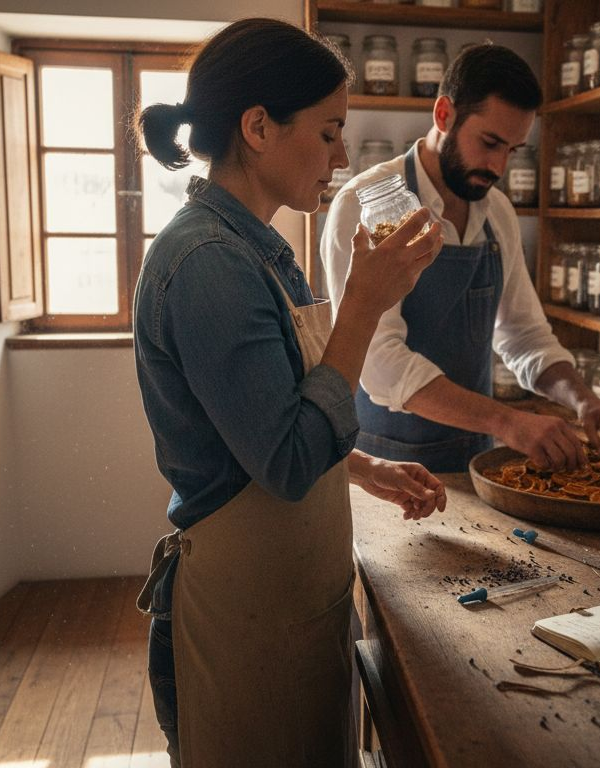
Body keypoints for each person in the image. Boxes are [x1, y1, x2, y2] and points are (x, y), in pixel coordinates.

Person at [132, 18, 446, 767]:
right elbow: (286, 458)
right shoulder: (209, 264)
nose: (342, 156)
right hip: (245, 621)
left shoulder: (261, 250)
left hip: (289, 603)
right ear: (258, 127)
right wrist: (365, 305)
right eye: (331, 130)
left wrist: (363, 467)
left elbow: (277, 413)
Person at [321, 44, 600, 474]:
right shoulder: (367, 204)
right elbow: (380, 363)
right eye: (489, 143)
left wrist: (584, 400)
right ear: (444, 115)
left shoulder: (497, 212)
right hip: (386, 469)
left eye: (513, 149)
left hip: (477, 464)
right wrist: (507, 421)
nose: (498, 166)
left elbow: (525, 335)